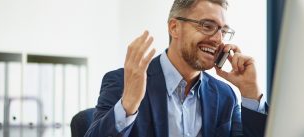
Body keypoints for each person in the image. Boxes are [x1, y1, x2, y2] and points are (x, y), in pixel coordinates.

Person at [85, 0, 267, 136]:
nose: (218, 39)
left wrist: (250, 92)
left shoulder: (225, 96)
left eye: (223, 31)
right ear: (174, 28)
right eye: (207, 26)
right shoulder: (124, 82)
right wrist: (128, 105)